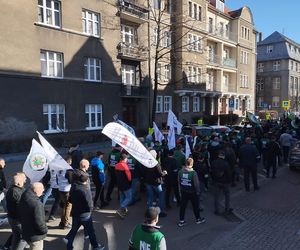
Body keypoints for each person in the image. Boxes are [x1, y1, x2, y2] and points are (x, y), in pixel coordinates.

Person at [64, 173, 105, 250]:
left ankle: (69, 246)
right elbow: (90, 204)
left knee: (73, 230)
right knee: (91, 231)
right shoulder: (86, 190)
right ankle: (96, 246)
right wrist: (90, 210)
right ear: (86, 180)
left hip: (76, 213)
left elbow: (70, 200)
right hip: (85, 215)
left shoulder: (74, 187)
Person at [19, 182, 48, 250]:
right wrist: (45, 230)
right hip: (36, 236)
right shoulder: (37, 204)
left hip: (27, 232)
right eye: (42, 189)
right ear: (35, 190)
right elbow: (39, 222)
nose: (43, 191)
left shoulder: (24, 197)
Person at [178, 158, 205, 227]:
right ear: (192, 164)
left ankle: (181, 221)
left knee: (183, 206)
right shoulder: (193, 173)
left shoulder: (180, 172)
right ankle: (198, 219)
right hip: (192, 192)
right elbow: (196, 184)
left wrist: (180, 191)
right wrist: (198, 192)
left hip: (184, 191)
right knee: (195, 206)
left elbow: (179, 182)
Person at [5, 172, 27, 250]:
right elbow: (21, 206)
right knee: (24, 237)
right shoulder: (15, 192)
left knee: (16, 235)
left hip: (13, 218)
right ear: (18, 182)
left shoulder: (14, 189)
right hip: (17, 219)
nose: (25, 181)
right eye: (24, 179)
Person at [142, 150, 168, 218]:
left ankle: (149, 212)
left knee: (150, 197)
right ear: (154, 155)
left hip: (148, 182)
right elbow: (160, 174)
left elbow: (143, 172)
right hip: (156, 183)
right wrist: (164, 173)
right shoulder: (155, 163)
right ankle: (161, 211)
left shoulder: (145, 162)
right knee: (161, 196)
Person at [211, 151, 232, 215]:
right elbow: (228, 173)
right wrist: (229, 181)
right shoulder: (226, 163)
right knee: (227, 195)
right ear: (223, 156)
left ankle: (217, 210)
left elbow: (211, 172)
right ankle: (227, 209)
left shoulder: (214, 162)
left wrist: (213, 179)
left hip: (216, 181)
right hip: (225, 182)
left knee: (216, 196)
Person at [115, 154, 132, 219]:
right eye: (126, 158)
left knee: (122, 197)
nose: (127, 159)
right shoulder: (125, 166)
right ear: (124, 159)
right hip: (126, 185)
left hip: (119, 184)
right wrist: (130, 182)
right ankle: (121, 208)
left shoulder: (117, 165)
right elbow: (129, 177)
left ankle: (123, 210)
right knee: (129, 197)